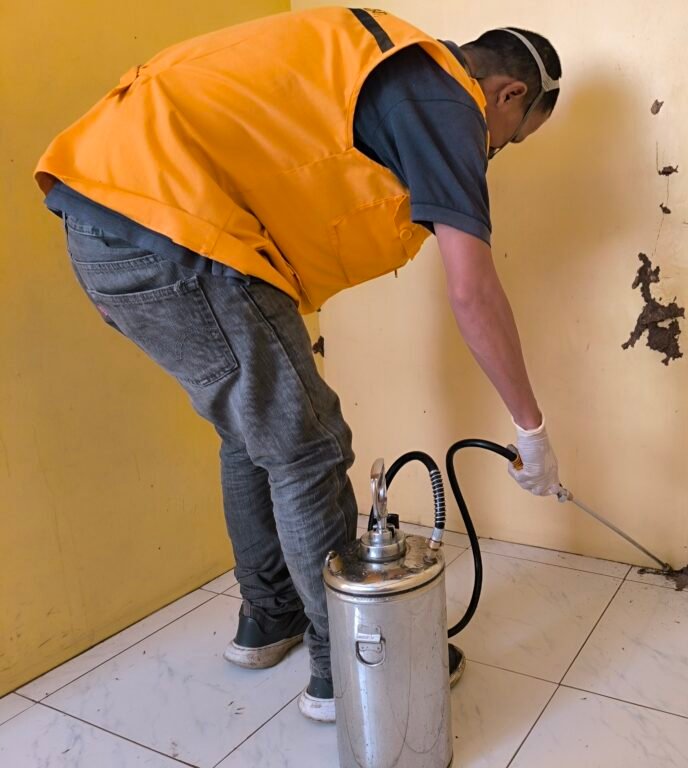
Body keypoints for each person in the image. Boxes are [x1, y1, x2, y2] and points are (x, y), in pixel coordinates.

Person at [34, 7, 562, 723]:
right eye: (510, 139)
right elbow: (472, 289)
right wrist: (530, 428)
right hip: (173, 226)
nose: (492, 151)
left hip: (108, 217)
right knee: (309, 446)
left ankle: (271, 615)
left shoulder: (391, 67)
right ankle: (344, 663)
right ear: (508, 94)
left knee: (256, 434)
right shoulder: (445, 97)